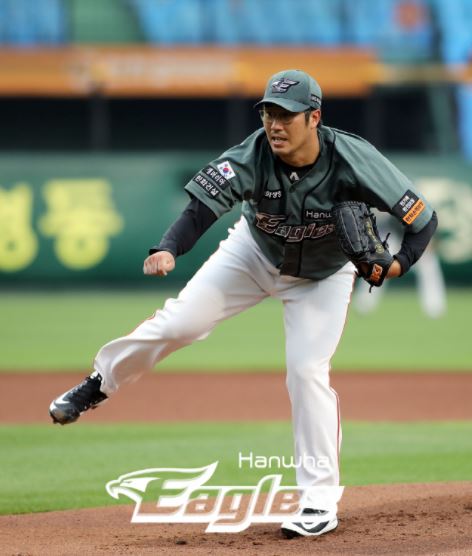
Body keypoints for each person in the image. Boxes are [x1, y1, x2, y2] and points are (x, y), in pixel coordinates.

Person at [49, 69, 438, 538]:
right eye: (269, 112)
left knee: (307, 372)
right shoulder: (252, 154)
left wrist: (396, 266)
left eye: (287, 115)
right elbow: (201, 210)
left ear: (314, 118)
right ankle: (99, 382)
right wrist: (168, 247)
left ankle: (318, 503)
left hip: (323, 275)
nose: (275, 124)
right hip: (253, 253)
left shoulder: (355, 159)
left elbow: (424, 220)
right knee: (180, 323)